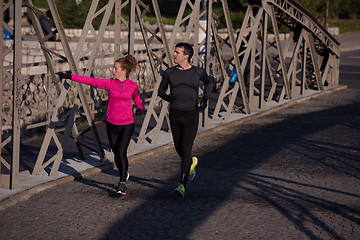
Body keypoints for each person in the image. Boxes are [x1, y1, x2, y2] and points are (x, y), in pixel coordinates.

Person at [57, 55, 143, 195]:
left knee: (121, 152)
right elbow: (91, 81)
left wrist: (139, 107)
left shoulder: (132, 85)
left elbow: (136, 96)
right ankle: (124, 172)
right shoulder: (109, 84)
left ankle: (122, 183)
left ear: (124, 71)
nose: (113, 70)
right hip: (111, 124)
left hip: (127, 124)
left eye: (115, 68)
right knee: (116, 153)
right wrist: (71, 76)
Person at [158, 42, 213, 197]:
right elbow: (161, 90)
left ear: (186, 56)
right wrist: (167, 97)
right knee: (179, 148)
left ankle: (181, 184)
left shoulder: (198, 72)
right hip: (175, 114)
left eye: (177, 52)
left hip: (191, 114)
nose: (174, 55)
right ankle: (191, 163)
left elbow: (210, 82)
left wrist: (206, 98)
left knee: (187, 148)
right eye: (174, 52)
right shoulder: (169, 73)